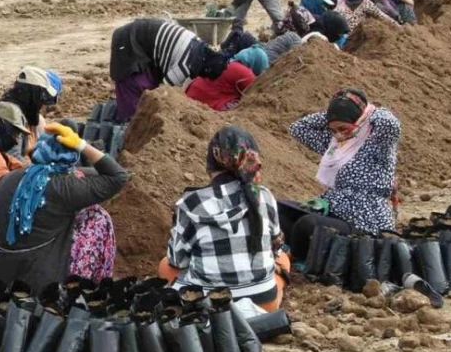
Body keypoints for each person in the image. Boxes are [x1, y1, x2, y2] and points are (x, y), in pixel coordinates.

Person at [0, 124, 129, 296]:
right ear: (71, 158)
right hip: (32, 292)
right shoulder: (67, 188)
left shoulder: (6, 179)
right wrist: (82, 145)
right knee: (97, 216)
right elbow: (118, 176)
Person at [158, 127, 289, 311]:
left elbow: (177, 261)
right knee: (283, 259)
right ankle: (266, 309)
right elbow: (275, 247)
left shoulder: (192, 203)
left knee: (165, 266)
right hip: (262, 301)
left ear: (211, 163)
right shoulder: (264, 196)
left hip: (207, 305)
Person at [286, 89, 400, 261]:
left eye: (343, 128)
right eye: (333, 130)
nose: (338, 134)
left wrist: (366, 112)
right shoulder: (336, 145)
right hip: (334, 210)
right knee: (282, 209)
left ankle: (299, 262)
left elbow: (391, 124)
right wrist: (334, 113)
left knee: (307, 224)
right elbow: (298, 128)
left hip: (364, 220)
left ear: (360, 121)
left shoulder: (377, 143)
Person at [110, 18, 229, 121]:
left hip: (144, 39)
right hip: (129, 40)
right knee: (135, 86)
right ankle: (128, 124)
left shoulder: (198, 47)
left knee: (148, 88)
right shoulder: (186, 65)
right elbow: (162, 93)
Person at [0, 66, 62, 157]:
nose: (45, 105)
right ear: (33, 96)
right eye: (44, 99)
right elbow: (13, 161)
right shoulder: (12, 118)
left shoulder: (27, 116)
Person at [185, 60, 257, 111]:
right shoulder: (247, 74)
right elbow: (253, 98)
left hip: (191, 92)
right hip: (206, 103)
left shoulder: (228, 62)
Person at [335, 0, 400, 32]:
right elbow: (382, 16)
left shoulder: (342, 2)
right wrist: (399, 27)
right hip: (354, 37)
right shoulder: (365, 3)